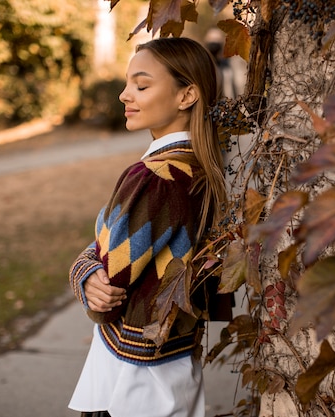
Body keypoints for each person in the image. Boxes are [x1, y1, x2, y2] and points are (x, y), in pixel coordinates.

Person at [67, 37, 227, 417]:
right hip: (172, 362)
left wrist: (81, 270)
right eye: (127, 84)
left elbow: (108, 291)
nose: (125, 95)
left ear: (187, 95)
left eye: (141, 85)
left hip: (130, 377)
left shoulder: (156, 177)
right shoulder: (201, 169)